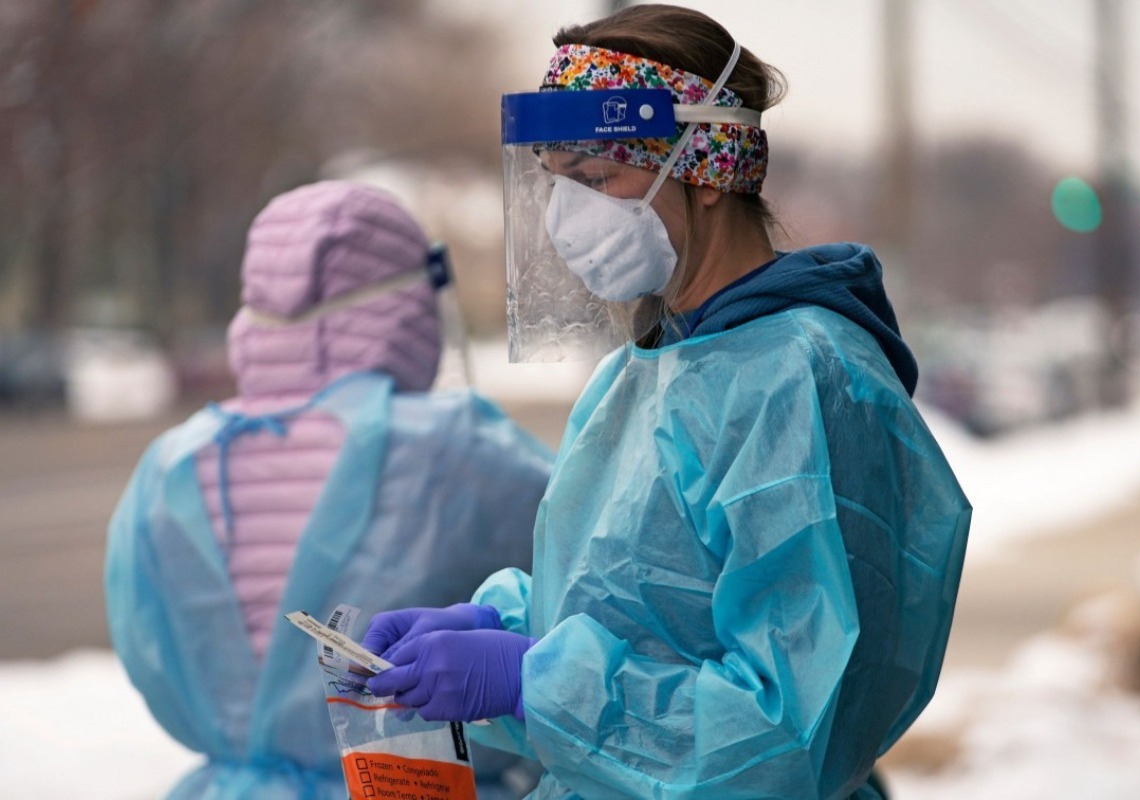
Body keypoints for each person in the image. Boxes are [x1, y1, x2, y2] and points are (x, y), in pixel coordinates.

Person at [360, 5, 972, 799]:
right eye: (556, 180)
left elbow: (787, 730)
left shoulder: (801, 381)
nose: (566, 215)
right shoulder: (645, 373)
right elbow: (645, 613)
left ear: (708, 168)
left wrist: (534, 682)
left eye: (596, 178)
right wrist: (510, 633)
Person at [105, 181, 554, 799]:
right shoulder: (458, 445)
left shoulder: (170, 465)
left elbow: (145, 650)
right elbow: (594, 571)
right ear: (409, 306)